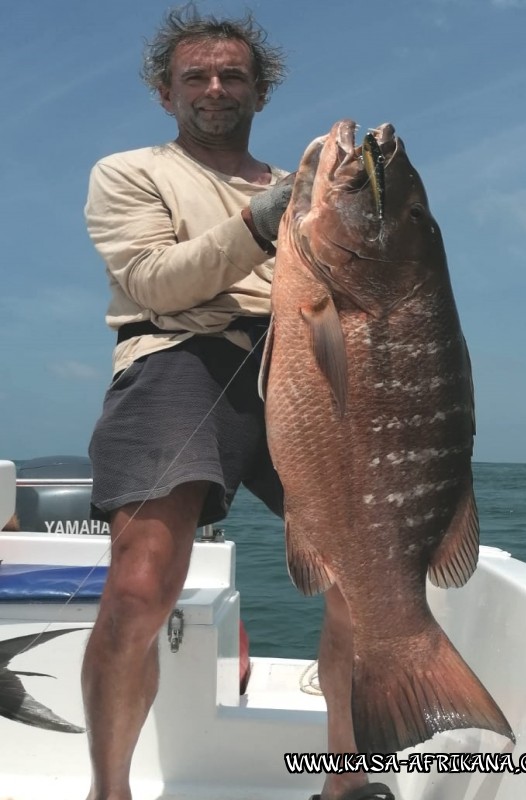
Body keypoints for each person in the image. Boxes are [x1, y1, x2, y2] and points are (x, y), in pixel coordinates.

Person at [82, 5, 393, 800]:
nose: (215, 88)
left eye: (232, 76)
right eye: (197, 76)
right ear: (166, 93)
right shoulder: (130, 172)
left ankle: (344, 783)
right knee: (140, 586)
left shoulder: (308, 188)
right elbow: (152, 281)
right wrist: (264, 220)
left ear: (261, 91)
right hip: (179, 357)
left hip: (309, 362)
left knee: (362, 578)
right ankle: (109, 791)